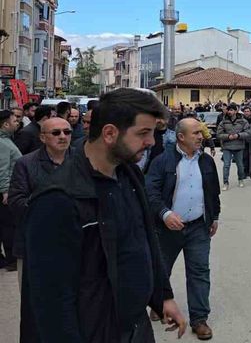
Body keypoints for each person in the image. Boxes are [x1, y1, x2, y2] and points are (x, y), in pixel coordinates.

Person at [20, 89, 187, 343]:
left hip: (135, 326)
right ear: (109, 133)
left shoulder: (129, 175)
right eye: (143, 133)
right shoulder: (58, 198)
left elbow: (144, 241)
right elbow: (49, 301)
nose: (152, 141)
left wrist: (163, 295)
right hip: (94, 331)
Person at [146, 117, 220, 340]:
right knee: (161, 269)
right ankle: (159, 304)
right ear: (181, 137)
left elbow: (213, 192)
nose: (201, 136)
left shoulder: (206, 161)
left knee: (199, 272)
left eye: (201, 132)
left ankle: (199, 319)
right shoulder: (163, 161)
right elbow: (150, 192)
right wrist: (165, 214)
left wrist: (214, 216)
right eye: (196, 133)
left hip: (198, 227)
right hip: (168, 228)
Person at [8, 117, 73, 277]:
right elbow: (16, 201)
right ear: (43, 137)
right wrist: (49, 210)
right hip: (35, 243)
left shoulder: (84, 161)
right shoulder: (26, 163)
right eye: (56, 133)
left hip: (74, 244)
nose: (63, 136)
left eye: (67, 132)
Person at [0, 110, 22, 272]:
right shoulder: (2, 142)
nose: (18, 123)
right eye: (15, 121)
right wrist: (5, 191)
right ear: (5, 124)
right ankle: (11, 259)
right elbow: (3, 168)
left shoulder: (6, 140)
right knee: (8, 226)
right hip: (6, 192)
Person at [216, 104, 250, 190]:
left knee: (240, 165)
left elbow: (248, 133)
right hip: (227, 146)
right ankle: (225, 182)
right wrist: (227, 136)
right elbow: (218, 134)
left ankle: (241, 179)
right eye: (228, 110)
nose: (229, 112)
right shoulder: (223, 122)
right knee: (226, 165)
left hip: (239, 146)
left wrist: (238, 135)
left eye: (231, 110)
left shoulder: (243, 121)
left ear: (236, 111)